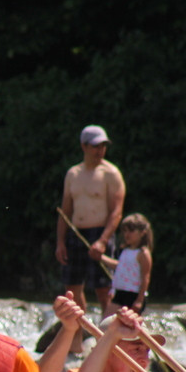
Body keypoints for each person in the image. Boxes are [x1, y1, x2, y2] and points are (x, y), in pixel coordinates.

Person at [55, 125, 126, 351]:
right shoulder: (73, 174)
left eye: (103, 146)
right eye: (96, 146)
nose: (100, 150)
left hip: (100, 232)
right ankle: (78, 338)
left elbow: (117, 212)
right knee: (72, 288)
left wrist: (104, 240)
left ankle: (108, 342)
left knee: (104, 291)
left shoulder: (111, 173)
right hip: (77, 232)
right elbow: (65, 211)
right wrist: (60, 242)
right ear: (84, 146)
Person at [99, 213, 153, 316]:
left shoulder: (143, 253)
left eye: (131, 231)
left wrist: (139, 301)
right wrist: (101, 258)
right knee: (105, 323)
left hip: (133, 295)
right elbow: (120, 266)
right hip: (120, 293)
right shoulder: (125, 250)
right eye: (125, 231)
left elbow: (145, 278)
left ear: (142, 233)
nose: (127, 234)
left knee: (127, 327)